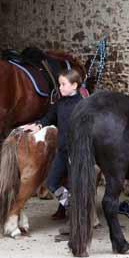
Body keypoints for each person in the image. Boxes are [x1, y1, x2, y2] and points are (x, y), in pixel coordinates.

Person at [21, 68, 83, 212]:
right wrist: (37, 125)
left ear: (74, 85)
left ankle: (78, 217)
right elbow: (49, 117)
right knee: (51, 183)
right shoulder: (60, 103)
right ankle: (73, 207)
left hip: (76, 153)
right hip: (62, 151)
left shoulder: (82, 105)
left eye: (63, 84)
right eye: (59, 84)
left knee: (74, 186)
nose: (60, 87)